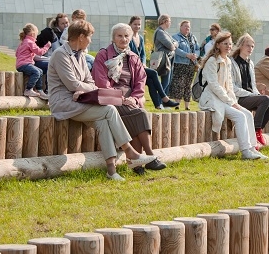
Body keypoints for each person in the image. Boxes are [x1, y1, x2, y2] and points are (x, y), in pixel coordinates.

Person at [47, 19, 156, 181]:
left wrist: (82, 89)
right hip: (64, 104)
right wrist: (82, 88)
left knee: (104, 122)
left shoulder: (80, 55)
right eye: (90, 37)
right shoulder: (60, 54)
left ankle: (111, 171)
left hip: (80, 101)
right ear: (82, 37)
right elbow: (72, 84)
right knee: (110, 109)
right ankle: (130, 152)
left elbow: (88, 82)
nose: (91, 40)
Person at [93, 23, 167, 173]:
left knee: (135, 111)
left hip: (130, 100)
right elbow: (101, 81)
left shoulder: (133, 57)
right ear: (113, 38)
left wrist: (134, 98)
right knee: (139, 113)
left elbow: (141, 80)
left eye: (126, 36)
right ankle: (150, 156)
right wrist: (119, 97)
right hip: (111, 98)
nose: (123, 39)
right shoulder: (103, 55)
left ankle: (136, 163)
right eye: (119, 36)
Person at [199, 32, 267, 160]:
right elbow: (215, 86)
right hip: (212, 100)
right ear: (218, 45)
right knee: (240, 116)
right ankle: (246, 151)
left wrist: (233, 101)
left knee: (247, 114)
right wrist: (231, 102)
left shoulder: (227, 61)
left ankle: (253, 148)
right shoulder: (212, 61)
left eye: (230, 44)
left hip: (225, 100)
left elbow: (229, 86)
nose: (228, 46)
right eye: (225, 43)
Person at [127, 16, 179, 109]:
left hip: (140, 66)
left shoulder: (140, 38)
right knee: (154, 73)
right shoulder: (128, 37)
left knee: (151, 81)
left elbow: (143, 54)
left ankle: (158, 105)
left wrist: (143, 63)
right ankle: (165, 99)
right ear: (130, 24)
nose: (137, 26)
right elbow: (129, 54)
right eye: (135, 24)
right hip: (132, 67)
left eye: (139, 24)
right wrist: (139, 64)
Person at [169, 20, 199, 110]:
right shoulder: (175, 37)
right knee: (179, 84)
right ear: (180, 27)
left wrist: (195, 55)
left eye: (188, 27)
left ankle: (187, 106)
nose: (187, 28)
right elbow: (176, 49)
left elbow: (197, 48)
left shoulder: (193, 37)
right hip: (180, 64)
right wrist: (187, 55)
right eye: (185, 26)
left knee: (188, 85)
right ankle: (177, 104)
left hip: (191, 64)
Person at [15, 23, 50, 99]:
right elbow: (40, 52)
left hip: (20, 64)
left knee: (40, 71)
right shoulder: (30, 42)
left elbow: (17, 54)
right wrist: (47, 46)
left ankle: (39, 90)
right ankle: (28, 89)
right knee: (36, 72)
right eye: (36, 35)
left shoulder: (23, 42)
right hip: (25, 64)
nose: (37, 37)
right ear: (33, 34)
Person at [35, 13, 69, 86]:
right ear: (57, 25)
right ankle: (49, 88)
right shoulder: (51, 34)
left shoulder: (69, 34)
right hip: (45, 59)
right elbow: (57, 51)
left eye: (66, 22)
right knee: (55, 65)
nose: (66, 25)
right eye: (62, 23)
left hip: (57, 59)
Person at [153, 14, 178, 94]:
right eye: (169, 21)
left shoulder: (165, 32)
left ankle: (164, 102)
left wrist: (174, 44)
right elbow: (171, 46)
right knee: (165, 82)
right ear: (165, 21)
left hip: (169, 60)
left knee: (168, 81)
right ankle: (160, 101)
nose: (170, 23)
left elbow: (176, 42)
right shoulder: (160, 32)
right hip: (164, 60)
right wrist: (174, 45)